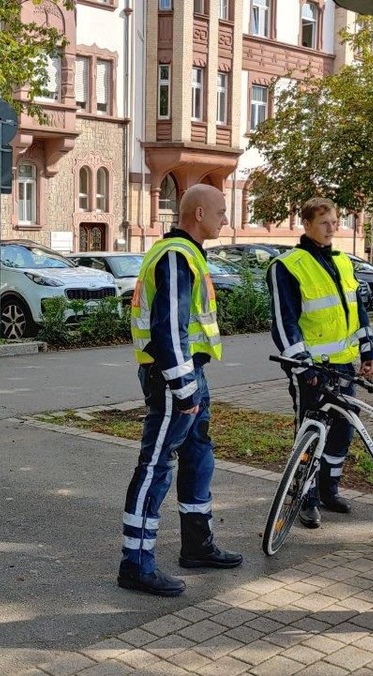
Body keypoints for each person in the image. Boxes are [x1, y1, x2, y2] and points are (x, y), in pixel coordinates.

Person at [119, 183, 243, 597]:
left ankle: (197, 546)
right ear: (199, 215)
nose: (226, 218)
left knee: (198, 459)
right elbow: (168, 328)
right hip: (175, 379)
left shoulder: (185, 253)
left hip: (188, 375)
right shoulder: (176, 255)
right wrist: (185, 389)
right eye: (221, 211)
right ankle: (135, 564)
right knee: (155, 467)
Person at [267, 197, 373, 529]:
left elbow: (357, 312)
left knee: (343, 429)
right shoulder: (287, 266)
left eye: (335, 221)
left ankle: (329, 489)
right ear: (306, 225)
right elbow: (284, 322)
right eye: (324, 223)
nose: (332, 228)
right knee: (310, 432)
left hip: (344, 366)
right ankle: (305, 497)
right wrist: (302, 364)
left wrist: (369, 350)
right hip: (313, 369)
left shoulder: (343, 262)